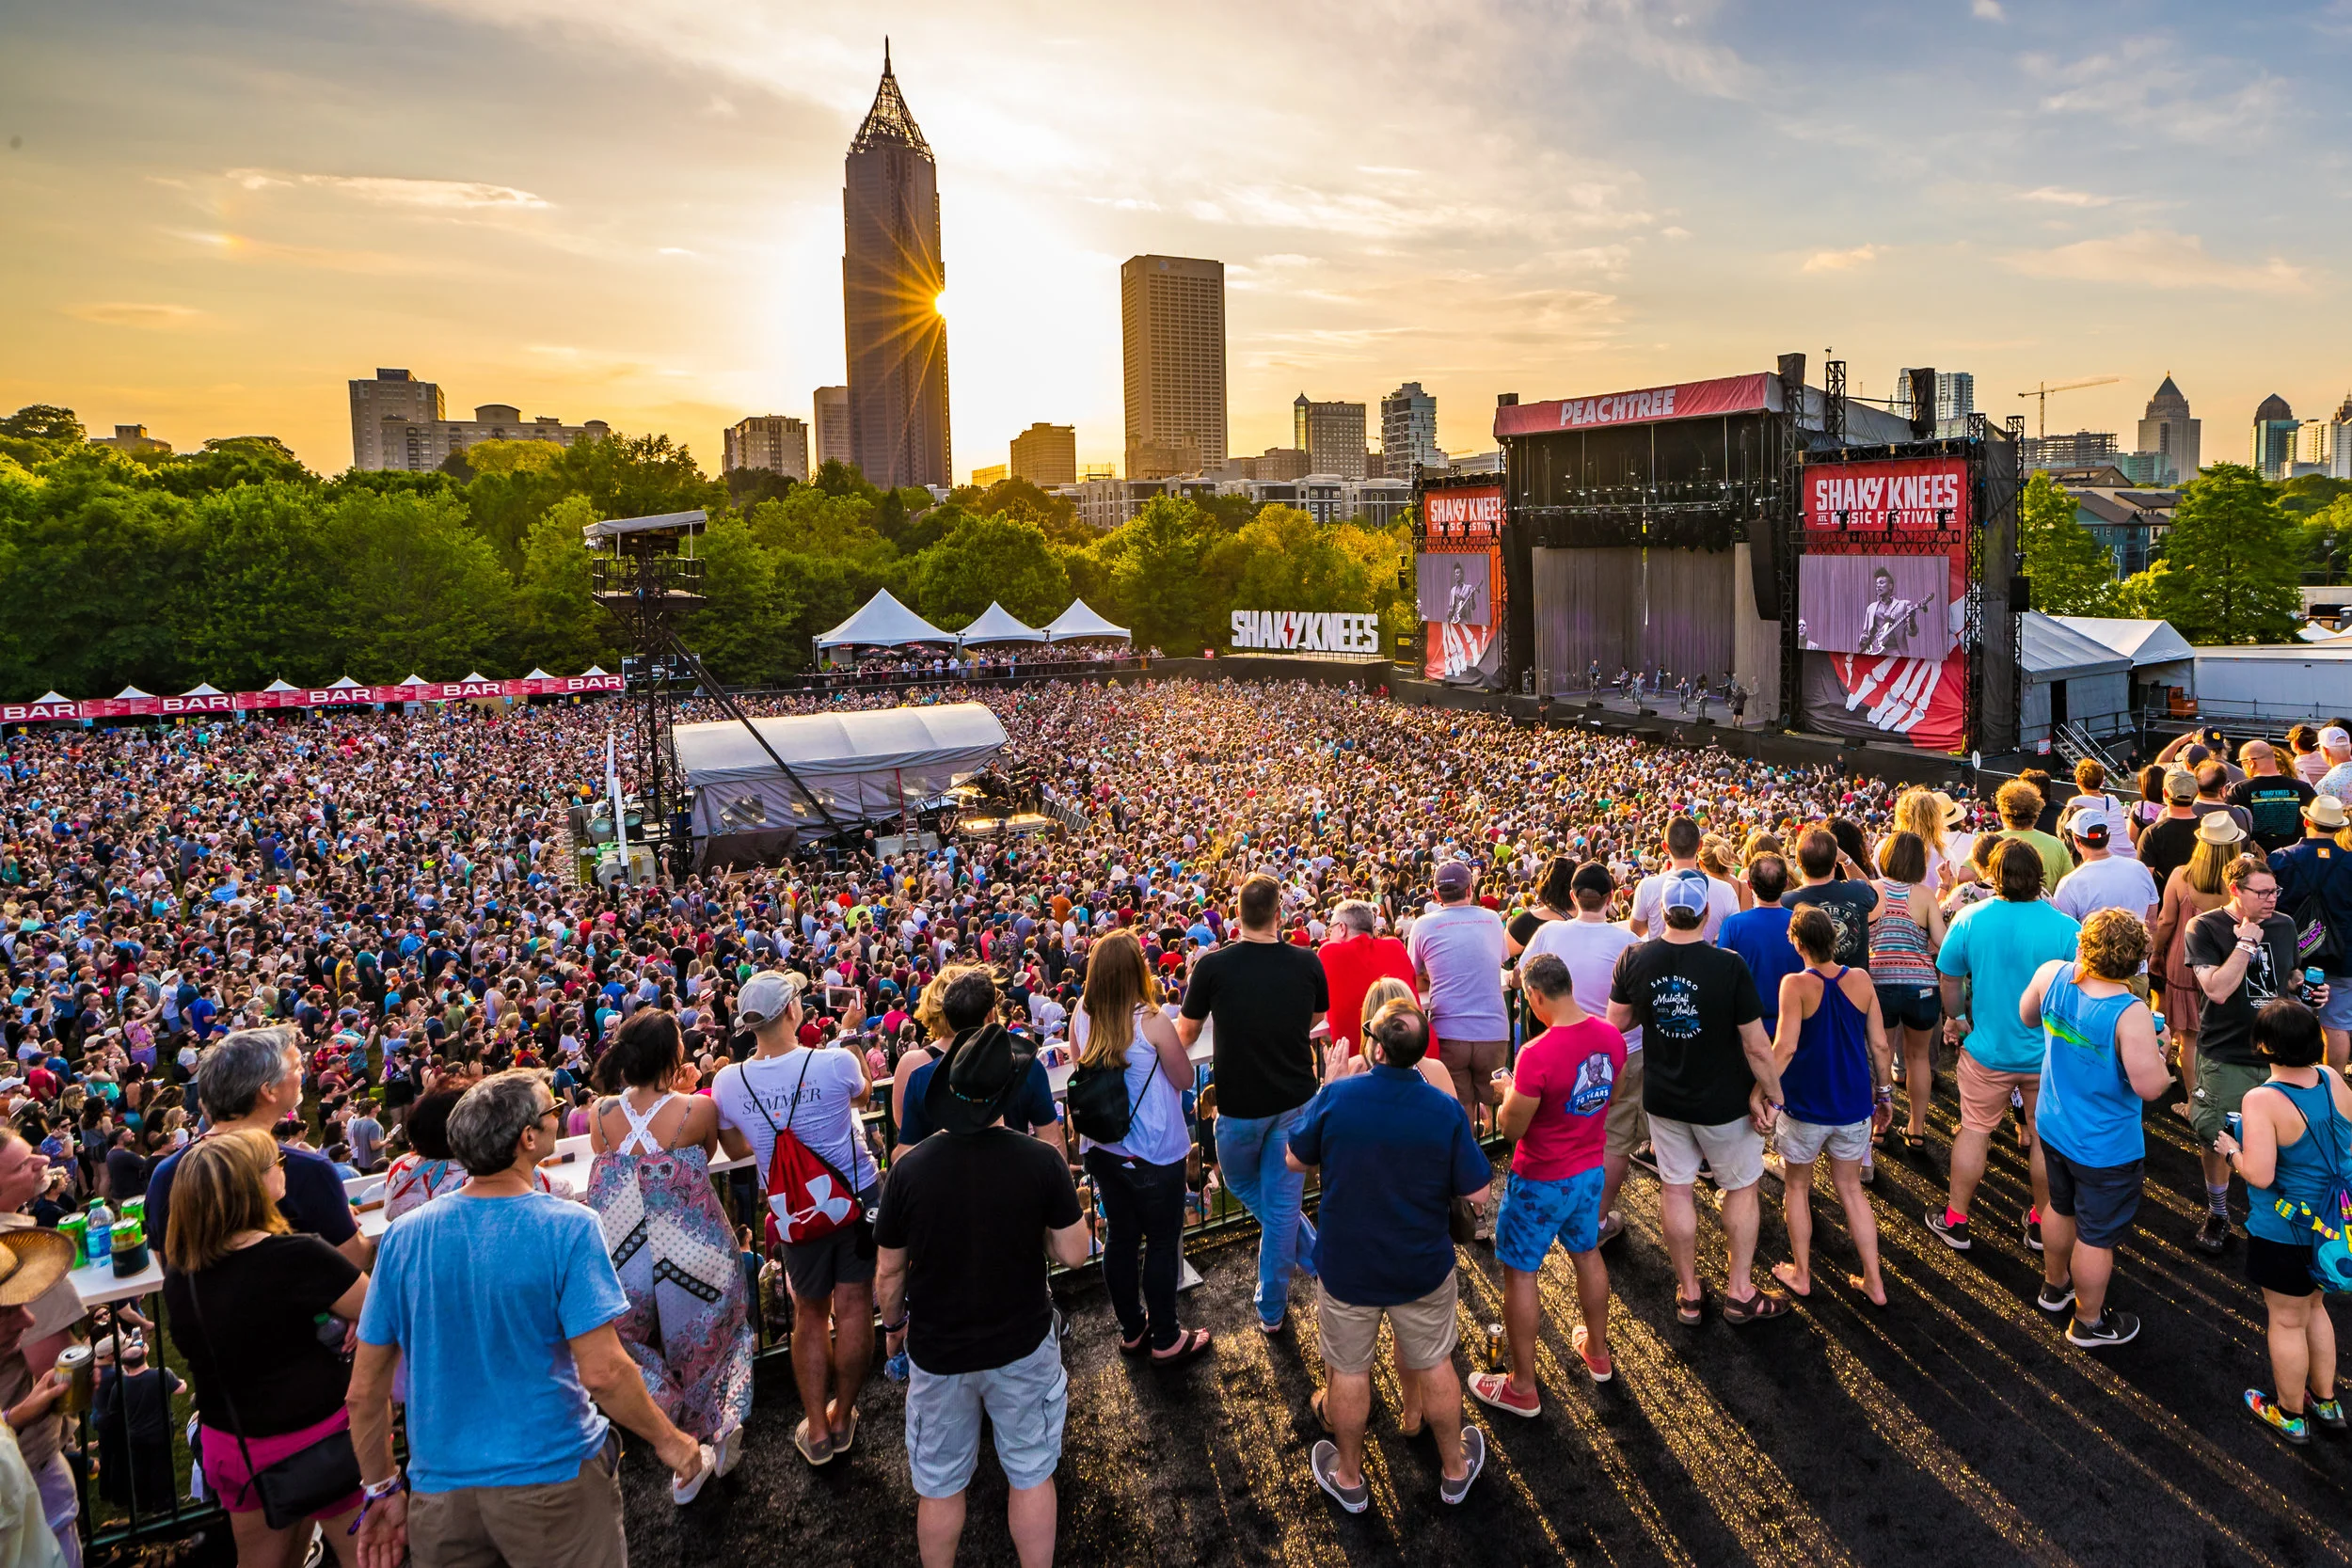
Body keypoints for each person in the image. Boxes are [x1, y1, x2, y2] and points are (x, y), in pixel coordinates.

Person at [350, 1071, 710, 1568]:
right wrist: (674, 1444)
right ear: (528, 1137)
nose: (559, 1116)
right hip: (551, 1481)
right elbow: (604, 1372)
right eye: (552, 1111)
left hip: (440, 1494)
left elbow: (364, 1391)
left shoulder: (403, 1238)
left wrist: (381, 1487)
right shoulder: (568, 1226)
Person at [874, 1018, 1089, 1568]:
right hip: (1022, 1341)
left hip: (938, 1348)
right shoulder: (1040, 1160)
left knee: (940, 1486)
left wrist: (894, 1328)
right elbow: (1074, 1252)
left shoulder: (909, 1170)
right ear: (1006, 1094)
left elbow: (889, 1275)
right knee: (1031, 1472)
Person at [1286, 1002, 1491, 1512]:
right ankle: (1454, 1469)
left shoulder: (1338, 1097)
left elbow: (1294, 1158)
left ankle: (1349, 1477)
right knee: (1436, 1363)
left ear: (1376, 1048)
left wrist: (1327, 1086)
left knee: (1349, 1371)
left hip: (1348, 1266)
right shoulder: (1443, 1108)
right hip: (1420, 1264)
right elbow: (1480, 1192)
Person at [161, 1130, 370, 1565]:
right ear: (252, 1185)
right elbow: (378, 1309)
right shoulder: (298, 1256)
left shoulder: (182, 1274)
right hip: (317, 1439)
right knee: (368, 1556)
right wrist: (348, 1313)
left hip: (232, 1443)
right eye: (277, 1162)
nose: (283, 1168)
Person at [711, 969, 879, 1466]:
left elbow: (734, 1148)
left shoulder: (729, 1081)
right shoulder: (834, 1061)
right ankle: (842, 1416)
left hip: (792, 1207)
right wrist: (848, 1034)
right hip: (854, 1196)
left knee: (810, 1312)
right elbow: (863, 1095)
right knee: (854, 1305)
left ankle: (818, 1432)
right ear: (792, 1010)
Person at [1609, 871, 1788, 1323]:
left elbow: (1617, 1022)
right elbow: (1756, 1046)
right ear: (1706, 913)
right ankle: (1740, 1292)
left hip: (1664, 1097)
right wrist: (1774, 1095)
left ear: (1663, 910)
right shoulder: (1728, 966)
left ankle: (1689, 1293)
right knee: (1740, 1187)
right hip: (1723, 1101)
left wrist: (1656, 1008)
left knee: (1676, 1187)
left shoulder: (1635, 957)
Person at [583, 1010, 753, 1478]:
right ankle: (718, 1425)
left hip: (626, 1253)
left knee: (629, 1341)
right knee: (713, 1334)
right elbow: (709, 1153)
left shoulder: (600, 1114)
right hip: (695, 1245)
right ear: (672, 1053)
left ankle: (672, 1424)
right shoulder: (698, 1109)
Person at [1470, 955, 1625, 1418]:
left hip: (1540, 1179)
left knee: (1520, 1273)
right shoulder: (1611, 1036)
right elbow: (1610, 1097)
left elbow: (1512, 1128)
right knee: (1587, 1253)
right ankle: (1597, 1351)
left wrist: (1507, 1094)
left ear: (1536, 996)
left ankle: (1522, 1387)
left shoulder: (1536, 1053)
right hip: (1588, 1172)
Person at [1177, 873, 1331, 1334]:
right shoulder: (1306, 961)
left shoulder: (1212, 967)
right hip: (1294, 1100)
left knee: (1258, 1195)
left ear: (1236, 916)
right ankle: (1318, 1267)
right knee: (1279, 1209)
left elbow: (1186, 1033)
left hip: (1240, 1107)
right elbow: (1317, 1016)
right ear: (1279, 915)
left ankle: (1273, 1307)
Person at [2021, 910, 2170, 1349]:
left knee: (2059, 1207)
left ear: (2083, 945)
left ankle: (2054, 1287)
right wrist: (2162, 1051)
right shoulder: (2130, 1011)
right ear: (2135, 961)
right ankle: (2087, 1322)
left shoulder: (2053, 974)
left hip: (2054, 1124)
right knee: (2096, 1237)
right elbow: (2150, 1087)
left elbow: (2027, 1016)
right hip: (2104, 1146)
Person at [2214, 999, 2351, 1443]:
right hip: (2332, 1228)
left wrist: (2231, 1152)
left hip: (2285, 1230)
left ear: (2264, 1046)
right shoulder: (2331, 1079)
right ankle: (2325, 1401)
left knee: (2287, 1321)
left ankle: (2290, 1413)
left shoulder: (2262, 1099)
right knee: (2315, 1309)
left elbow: (2260, 1174)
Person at [1931, 841, 2080, 1252]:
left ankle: (1956, 1219)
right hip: (2046, 1056)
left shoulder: (1970, 917)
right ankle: (2042, 1223)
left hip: (1987, 1051)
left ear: (1994, 875)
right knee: (2043, 1138)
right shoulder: (2066, 927)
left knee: (1975, 1130)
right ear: (2039, 876)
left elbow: (1950, 978)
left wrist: (1956, 1018)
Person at [1073, 931, 1210, 1365]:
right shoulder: (1151, 1021)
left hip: (1102, 1149)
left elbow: (1079, 1067)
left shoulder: (1082, 1013)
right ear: (1138, 969)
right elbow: (1185, 1078)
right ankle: (1166, 1338)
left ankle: (1133, 1330)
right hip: (1152, 1151)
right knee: (1163, 1241)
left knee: (1121, 1237)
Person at [145, 1026, 369, 1269]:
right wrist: (349, 1224)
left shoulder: (165, 1174)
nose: (302, 1071)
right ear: (268, 1090)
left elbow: (167, 1264)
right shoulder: (305, 1170)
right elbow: (354, 1258)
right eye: (296, 1066)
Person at [2185, 853, 2317, 1256]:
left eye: (2274, 891)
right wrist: (2245, 943)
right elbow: (2217, 989)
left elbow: (2288, 975)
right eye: (2261, 893)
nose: (2271, 899)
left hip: (2280, 1055)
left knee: (2286, 1138)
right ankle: (2218, 1212)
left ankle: (2284, 1215)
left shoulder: (2285, 924)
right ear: (2235, 890)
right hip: (2227, 1053)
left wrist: (2306, 989)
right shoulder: (2205, 927)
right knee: (2218, 1138)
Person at [1771, 907, 1892, 1307]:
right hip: (1854, 1106)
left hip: (1805, 1107)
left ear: (1798, 944)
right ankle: (1874, 1281)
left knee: (1797, 1186)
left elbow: (1785, 1048)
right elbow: (1880, 1045)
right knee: (1851, 1190)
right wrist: (1885, 1095)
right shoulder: (1860, 980)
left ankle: (1802, 1274)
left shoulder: (1795, 985)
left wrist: (1762, 1091)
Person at [1520, 862, 1645, 1246]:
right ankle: (1596, 1221)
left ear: (1573, 897)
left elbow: (1523, 978)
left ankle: (1568, 1215)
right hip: (1620, 1051)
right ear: (1612, 898)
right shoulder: (1628, 942)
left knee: (1562, 1132)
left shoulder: (1549, 932)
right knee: (1615, 1139)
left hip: (1561, 1052)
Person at [1409, 861, 1511, 1148]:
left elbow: (1413, 974)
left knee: (1460, 1106)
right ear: (1470, 889)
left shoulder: (1423, 924)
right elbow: (1498, 959)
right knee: (1498, 1099)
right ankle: (1503, 1154)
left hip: (1449, 1030)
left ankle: (1468, 1160)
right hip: (1493, 1029)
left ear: (1436, 894)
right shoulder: (1491, 919)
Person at [1867, 832, 1944, 1155]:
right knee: (1917, 1058)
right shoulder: (1924, 895)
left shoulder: (1872, 890)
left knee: (1880, 1057)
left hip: (1879, 985)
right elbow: (1942, 942)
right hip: (1921, 987)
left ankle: (1879, 1126)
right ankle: (1917, 1128)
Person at [2269, 794, 2352, 1070]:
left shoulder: (2280, 858)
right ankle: (2333, 1082)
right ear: (2338, 828)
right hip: (2343, 956)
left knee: (2292, 1021)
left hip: (2294, 956)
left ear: (2306, 821)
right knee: (2337, 1026)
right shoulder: (2349, 862)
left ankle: (2291, 1077)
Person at [91, 1331, 183, 1516]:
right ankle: (160, 1502)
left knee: (128, 1465)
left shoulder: (103, 1373)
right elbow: (177, 1387)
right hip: (140, 1427)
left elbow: (114, 1404)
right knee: (150, 1465)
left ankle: (136, 1502)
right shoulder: (116, 1376)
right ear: (110, 1355)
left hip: (121, 1427)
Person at [1318, 900, 1414, 1055]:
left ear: (1342, 928)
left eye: (1330, 930)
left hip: (1363, 1061)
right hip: (1417, 1055)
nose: (1329, 936)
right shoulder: (1395, 946)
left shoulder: (1329, 952)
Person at [1781, 828, 1880, 974]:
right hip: (1854, 984)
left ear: (1798, 862)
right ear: (1834, 862)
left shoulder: (1786, 902)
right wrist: (1846, 860)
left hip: (1809, 986)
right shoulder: (1858, 891)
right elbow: (1870, 891)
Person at [1629, 816, 1739, 942]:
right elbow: (1734, 936)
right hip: (1709, 953)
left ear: (1665, 847)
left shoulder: (1647, 887)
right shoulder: (1726, 890)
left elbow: (1637, 930)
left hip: (1659, 953)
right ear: (1700, 846)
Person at [2052, 808, 2161, 927]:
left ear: (2076, 841)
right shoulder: (2140, 869)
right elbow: (2151, 922)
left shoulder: (2069, 884)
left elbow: (2061, 930)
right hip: (2138, 939)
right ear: (2108, 836)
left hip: (2091, 939)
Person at [2230, 741, 2316, 853]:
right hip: (2295, 856)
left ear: (2251, 762)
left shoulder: (2240, 790)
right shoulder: (2303, 788)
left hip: (2257, 858)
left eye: (2242, 762)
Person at [1996, 780, 2074, 892]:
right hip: (2045, 902)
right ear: (2036, 813)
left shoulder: (1990, 843)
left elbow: (1969, 877)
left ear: (2002, 812)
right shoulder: (2056, 844)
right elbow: (2069, 884)